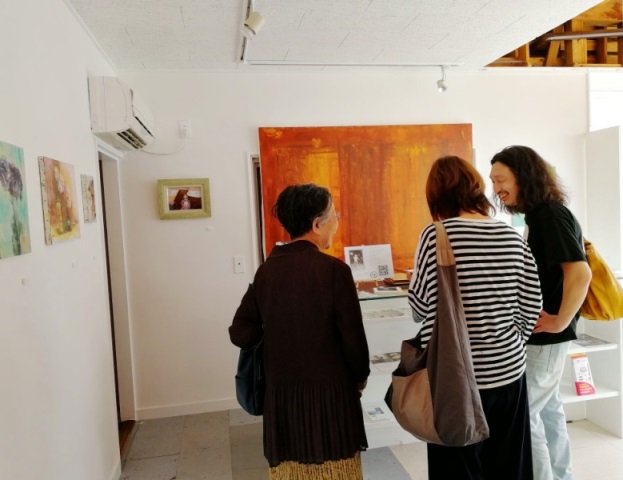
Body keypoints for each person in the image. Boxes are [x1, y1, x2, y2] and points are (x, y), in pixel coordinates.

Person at [408, 156, 543, 479]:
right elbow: (531, 305)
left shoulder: (436, 236)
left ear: (437, 194)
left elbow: (419, 308)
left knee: (458, 467)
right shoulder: (511, 236)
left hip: (454, 377)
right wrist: (508, 343)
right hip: (508, 372)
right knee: (509, 466)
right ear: (476, 187)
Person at [229, 183, 370, 479]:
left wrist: (276, 335)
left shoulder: (267, 271)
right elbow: (354, 341)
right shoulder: (335, 271)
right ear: (317, 225)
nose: (337, 222)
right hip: (331, 397)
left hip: (282, 398)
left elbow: (239, 333)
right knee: (337, 471)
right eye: (334, 215)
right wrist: (360, 377)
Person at [490, 145, 592, 480]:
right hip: (545, 334)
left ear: (523, 177)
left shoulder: (549, 216)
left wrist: (560, 321)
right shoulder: (540, 215)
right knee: (548, 410)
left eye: (501, 179)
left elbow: (580, 273)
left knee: (526, 414)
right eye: (493, 181)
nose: (496, 189)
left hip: (546, 335)